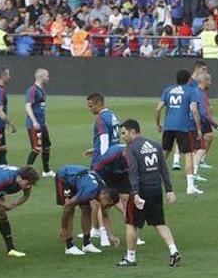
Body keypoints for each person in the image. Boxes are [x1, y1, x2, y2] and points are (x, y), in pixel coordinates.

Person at [116, 119, 181, 267]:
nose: (123, 137)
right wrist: (169, 190)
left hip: (141, 191)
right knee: (159, 223)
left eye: (124, 133)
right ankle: (173, 251)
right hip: (156, 189)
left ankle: (130, 257)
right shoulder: (156, 145)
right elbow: (164, 169)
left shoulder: (131, 148)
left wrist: (135, 193)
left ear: (133, 132)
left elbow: (133, 173)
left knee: (131, 223)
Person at [155, 70, 203, 195]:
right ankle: (190, 187)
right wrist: (198, 128)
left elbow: (157, 109)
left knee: (164, 154)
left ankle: (154, 180)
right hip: (183, 127)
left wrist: (158, 124)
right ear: (188, 80)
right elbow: (195, 111)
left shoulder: (168, 90)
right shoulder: (190, 90)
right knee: (189, 155)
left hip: (168, 127)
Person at [55, 165, 120, 256]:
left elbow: (104, 215)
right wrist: (63, 228)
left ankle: (87, 243)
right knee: (70, 209)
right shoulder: (90, 191)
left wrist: (110, 236)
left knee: (87, 209)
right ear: (104, 197)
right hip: (65, 177)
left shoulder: (103, 191)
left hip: (81, 180)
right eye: (109, 204)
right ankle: (69, 246)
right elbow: (67, 206)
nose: (108, 207)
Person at [84, 92, 121, 244]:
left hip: (102, 164)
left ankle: (103, 235)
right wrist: (94, 149)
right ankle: (95, 230)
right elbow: (114, 140)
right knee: (111, 198)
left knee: (98, 199)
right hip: (114, 159)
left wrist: (101, 159)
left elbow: (105, 141)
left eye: (91, 106)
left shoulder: (100, 118)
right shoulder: (112, 116)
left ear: (99, 104)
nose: (90, 109)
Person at [192, 72, 218, 182]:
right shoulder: (199, 93)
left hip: (201, 121)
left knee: (208, 139)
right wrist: (215, 124)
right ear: (203, 81)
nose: (211, 83)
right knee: (199, 148)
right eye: (209, 81)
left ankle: (198, 163)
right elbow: (203, 112)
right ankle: (194, 172)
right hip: (199, 121)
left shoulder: (199, 92)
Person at [25, 69, 54, 177]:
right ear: (41, 77)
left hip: (42, 124)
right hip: (34, 124)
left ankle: (46, 171)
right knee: (36, 148)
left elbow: (40, 107)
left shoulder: (41, 90)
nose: (48, 78)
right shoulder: (32, 90)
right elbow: (28, 106)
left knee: (47, 147)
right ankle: (25, 172)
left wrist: (43, 122)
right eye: (47, 76)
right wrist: (34, 121)